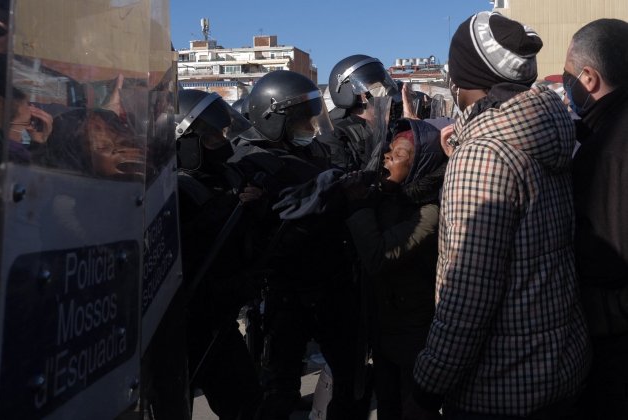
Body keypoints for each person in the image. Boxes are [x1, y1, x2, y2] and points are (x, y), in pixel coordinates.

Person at [404, 11, 590, 419]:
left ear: (464, 77)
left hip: (499, 388)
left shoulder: (485, 158)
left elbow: (468, 299)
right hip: (560, 368)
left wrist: (425, 388)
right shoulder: (545, 127)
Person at [239, 70, 370, 420]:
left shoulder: (311, 150)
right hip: (287, 286)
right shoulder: (249, 159)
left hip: (330, 278)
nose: (310, 128)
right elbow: (293, 201)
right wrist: (337, 185)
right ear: (273, 119)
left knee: (349, 374)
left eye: (311, 119)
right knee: (279, 382)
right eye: (300, 121)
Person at [342, 118, 446, 420]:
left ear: (418, 167)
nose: (387, 157)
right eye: (388, 151)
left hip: (414, 337)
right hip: (383, 331)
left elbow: (378, 256)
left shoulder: (429, 213)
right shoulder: (387, 198)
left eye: (399, 154)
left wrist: (359, 207)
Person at [174, 89, 264, 420]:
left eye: (222, 133)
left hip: (222, 315)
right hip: (192, 321)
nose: (222, 142)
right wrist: (227, 208)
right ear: (184, 140)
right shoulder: (173, 191)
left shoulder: (225, 176)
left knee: (246, 404)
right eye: (211, 137)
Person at [562, 18, 628, 420]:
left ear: (588, 78)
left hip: (614, 347)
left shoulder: (608, 150)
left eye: (568, 74)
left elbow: (605, 258)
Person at [322, 54, 399, 171]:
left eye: (382, 83)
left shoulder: (393, 126)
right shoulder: (334, 133)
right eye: (374, 85)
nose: (384, 88)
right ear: (350, 92)